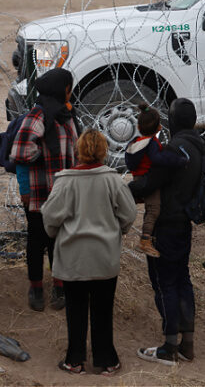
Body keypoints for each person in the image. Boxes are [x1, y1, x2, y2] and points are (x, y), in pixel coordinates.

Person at [41, 129, 137, 376]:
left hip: (74, 259)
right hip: (104, 258)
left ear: (78, 151)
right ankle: (106, 361)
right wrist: (116, 232)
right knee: (103, 310)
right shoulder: (113, 179)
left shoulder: (65, 180)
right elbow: (128, 214)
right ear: (104, 151)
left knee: (75, 309)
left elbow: (50, 217)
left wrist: (54, 233)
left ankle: (75, 361)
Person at [130, 98, 205, 366]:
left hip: (165, 224)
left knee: (165, 284)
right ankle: (187, 344)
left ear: (173, 122)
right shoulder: (200, 145)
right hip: (183, 223)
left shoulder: (175, 149)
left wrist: (121, 191)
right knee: (182, 280)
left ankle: (168, 347)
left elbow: (150, 183)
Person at [11, 68, 80, 312]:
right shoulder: (37, 115)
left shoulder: (66, 115)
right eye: (68, 87)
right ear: (61, 90)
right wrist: (46, 156)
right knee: (36, 241)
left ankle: (59, 285)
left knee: (59, 241)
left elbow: (74, 149)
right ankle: (36, 287)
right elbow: (19, 151)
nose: (70, 92)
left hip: (63, 194)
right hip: (39, 193)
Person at [125, 103, 187, 258]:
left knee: (137, 207)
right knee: (153, 209)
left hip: (137, 178)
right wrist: (178, 161)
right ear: (159, 127)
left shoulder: (134, 142)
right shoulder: (151, 143)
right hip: (149, 179)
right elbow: (157, 159)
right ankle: (145, 240)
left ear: (138, 127)